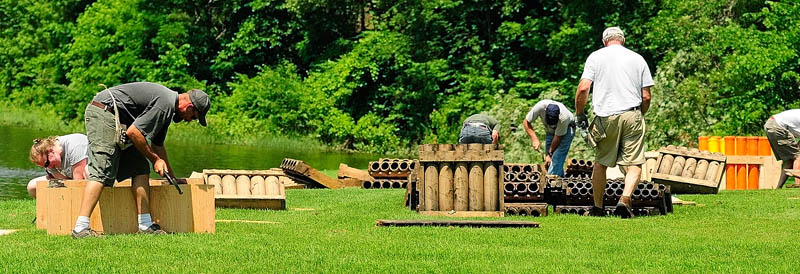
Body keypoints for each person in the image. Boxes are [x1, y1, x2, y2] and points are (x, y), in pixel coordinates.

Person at [72, 82, 210, 238]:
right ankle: (81, 228)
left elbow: (157, 146)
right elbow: (134, 133)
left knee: (140, 168)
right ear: (190, 107)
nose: (190, 120)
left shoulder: (167, 109)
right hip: (104, 112)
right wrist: (155, 159)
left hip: (119, 120)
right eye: (193, 117)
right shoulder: (164, 104)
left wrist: (172, 177)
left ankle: (145, 225)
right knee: (102, 169)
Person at [574, 27, 653, 218]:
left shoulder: (595, 57)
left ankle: (598, 208)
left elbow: (584, 88)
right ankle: (625, 199)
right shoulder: (638, 58)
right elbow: (646, 96)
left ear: (604, 41)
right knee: (634, 162)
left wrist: (580, 113)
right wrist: (639, 115)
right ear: (623, 40)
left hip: (606, 116)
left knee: (601, 162)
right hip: (632, 113)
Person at [523, 100, 576, 176]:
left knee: (557, 156)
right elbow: (526, 122)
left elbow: (558, 138)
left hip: (567, 130)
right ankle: (559, 178)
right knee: (548, 161)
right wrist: (534, 139)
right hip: (550, 131)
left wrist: (549, 154)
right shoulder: (540, 107)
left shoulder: (564, 118)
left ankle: (551, 183)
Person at [27, 134, 89, 198]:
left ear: (51, 151)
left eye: (47, 163)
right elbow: (63, 182)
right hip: (73, 179)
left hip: (92, 176)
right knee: (33, 186)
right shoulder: (51, 162)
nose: (49, 168)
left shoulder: (74, 145)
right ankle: (52, 207)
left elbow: (78, 183)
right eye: (45, 166)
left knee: (87, 171)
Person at [764, 109, 800, 188]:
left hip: (771, 124)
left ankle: (779, 187)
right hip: (777, 126)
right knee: (797, 157)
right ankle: (798, 185)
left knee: (791, 159)